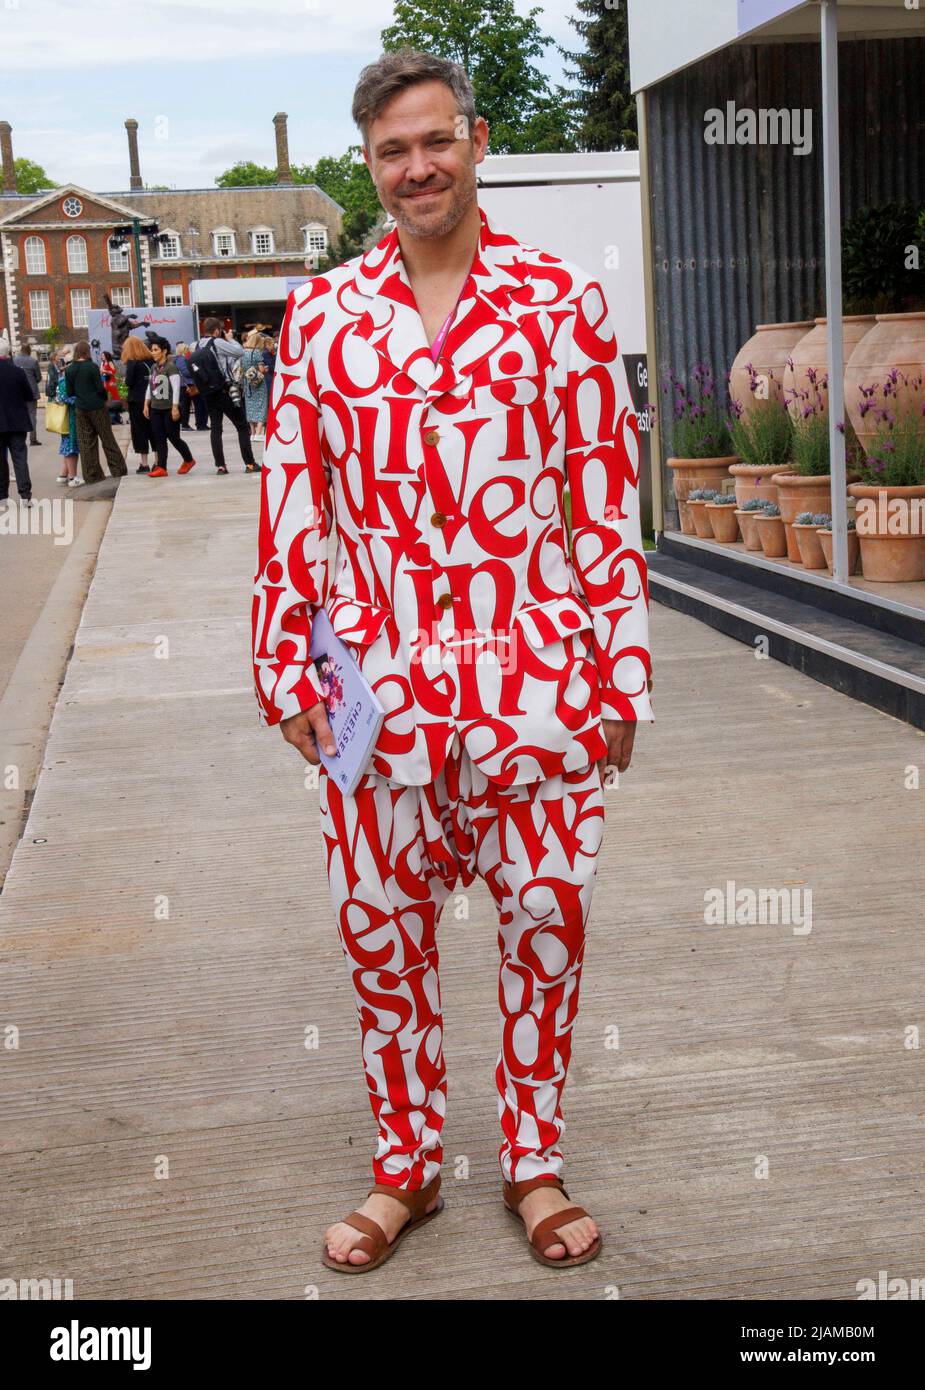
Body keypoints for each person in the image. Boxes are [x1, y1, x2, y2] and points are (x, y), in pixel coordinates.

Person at [251, 49, 654, 1275]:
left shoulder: (555, 299)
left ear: (474, 141)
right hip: (377, 697)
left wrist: (620, 678)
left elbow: (602, 498)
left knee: (544, 921)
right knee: (382, 935)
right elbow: (293, 504)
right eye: (392, 150)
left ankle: (533, 1161)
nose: (417, 167)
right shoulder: (322, 315)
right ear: (368, 165)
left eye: (435, 141)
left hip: (537, 682)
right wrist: (283, 669)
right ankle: (407, 1169)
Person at [189, 317, 259, 474]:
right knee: (242, 426)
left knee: (216, 429)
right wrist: (231, 339)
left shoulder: (197, 345)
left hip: (208, 392)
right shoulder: (218, 342)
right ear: (217, 331)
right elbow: (240, 352)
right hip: (224, 391)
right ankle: (250, 463)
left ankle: (221, 466)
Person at [64, 341, 127, 485]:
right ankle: (118, 469)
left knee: (86, 442)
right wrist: (105, 398)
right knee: (107, 438)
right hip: (97, 407)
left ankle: (92, 475)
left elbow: (70, 392)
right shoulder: (92, 367)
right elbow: (100, 388)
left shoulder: (69, 370)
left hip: (81, 408)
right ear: (87, 351)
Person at [143, 336, 197, 477]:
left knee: (174, 438)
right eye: (152, 350)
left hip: (169, 409)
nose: (152, 352)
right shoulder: (154, 367)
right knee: (159, 438)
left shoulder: (171, 367)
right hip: (156, 408)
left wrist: (174, 408)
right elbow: (151, 386)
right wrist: (146, 403)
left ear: (164, 351)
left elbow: (176, 388)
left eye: (155, 350)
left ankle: (189, 460)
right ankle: (162, 467)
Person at [0, 338, 34, 507]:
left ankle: (2, 497)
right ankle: (25, 495)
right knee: (20, 458)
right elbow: (29, 395)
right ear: (8, 353)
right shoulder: (18, 372)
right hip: (17, 420)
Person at [121, 334, 154, 473]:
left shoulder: (132, 362)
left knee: (139, 431)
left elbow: (129, 382)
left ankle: (144, 463)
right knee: (154, 430)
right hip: (152, 399)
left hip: (136, 400)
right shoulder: (151, 361)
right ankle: (158, 461)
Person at [54, 354, 81, 487]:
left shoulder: (63, 379)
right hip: (69, 417)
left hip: (67, 417)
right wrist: (81, 398)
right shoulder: (65, 380)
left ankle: (63, 474)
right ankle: (72, 476)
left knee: (69, 444)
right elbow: (65, 398)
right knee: (71, 445)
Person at [174, 342, 208, 432]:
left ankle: (191, 424)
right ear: (183, 349)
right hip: (186, 385)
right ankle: (185, 425)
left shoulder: (180, 359)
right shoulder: (181, 359)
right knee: (186, 405)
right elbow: (185, 372)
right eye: (186, 348)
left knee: (188, 405)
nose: (188, 350)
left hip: (186, 385)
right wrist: (195, 372)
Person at [241, 330, 269, 439]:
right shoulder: (257, 352)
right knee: (261, 405)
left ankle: (252, 433)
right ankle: (258, 433)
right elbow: (261, 369)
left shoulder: (243, 352)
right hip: (259, 384)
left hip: (247, 383)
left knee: (250, 406)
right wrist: (265, 370)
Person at [12, 341, 42, 445]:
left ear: (20, 350)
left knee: (18, 415)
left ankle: (19, 440)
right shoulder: (33, 361)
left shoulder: (14, 361)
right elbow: (38, 378)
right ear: (29, 351)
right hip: (31, 392)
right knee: (32, 415)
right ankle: (33, 439)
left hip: (17, 392)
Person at [100, 351, 124, 425]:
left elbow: (113, 371)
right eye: (102, 356)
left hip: (111, 381)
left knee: (115, 397)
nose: (102, 357)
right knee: (105, 397)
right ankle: (109, 415)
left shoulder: (110, 362)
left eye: (103, 355)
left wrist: (105, 371)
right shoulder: (102, 363)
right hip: (105, 381)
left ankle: (116, 414)